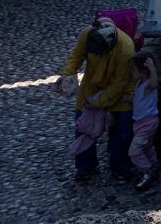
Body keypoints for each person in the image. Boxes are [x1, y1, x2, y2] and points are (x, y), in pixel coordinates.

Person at [55, 18, 136, 182]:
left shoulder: (126, 49)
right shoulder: (86, 34)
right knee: (82, 125)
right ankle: (86, 167)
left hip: (121, 92)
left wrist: (100, 102)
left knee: (123, 128)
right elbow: (76, 56)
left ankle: (119, 166)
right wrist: (66, 74)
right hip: (91, 85)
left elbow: (119, 84)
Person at [128, 52, 160, 191]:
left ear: (142, 71)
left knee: (134, 151)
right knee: (147, 147)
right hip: (141, 123)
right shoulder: (139, 84)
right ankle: (153, 165)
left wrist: (152, 69)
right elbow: (137, 100)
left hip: (147, 122)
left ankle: (147, 171)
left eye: (133, 69)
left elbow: (155, 83)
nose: (131, 72)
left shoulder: (148, 84)